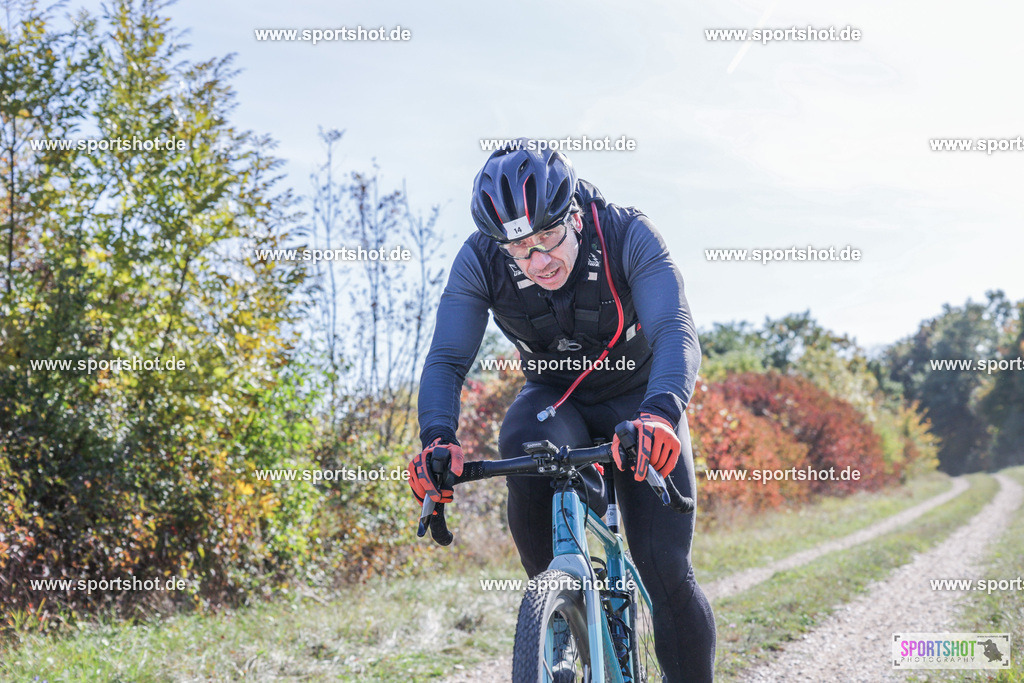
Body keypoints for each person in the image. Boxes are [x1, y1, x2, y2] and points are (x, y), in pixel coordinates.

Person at [408, 139, 716, 682]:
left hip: (640, 401)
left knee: (666, 571)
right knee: (519, 440)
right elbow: (447, 359)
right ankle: (562, 605)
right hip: (556, 401)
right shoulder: (480, 259)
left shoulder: (627, 232)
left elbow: (675, 330)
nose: (538, 261)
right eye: (519, 249)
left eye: (548, 237)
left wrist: (662, 414)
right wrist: (437, 437)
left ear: (573, 215)